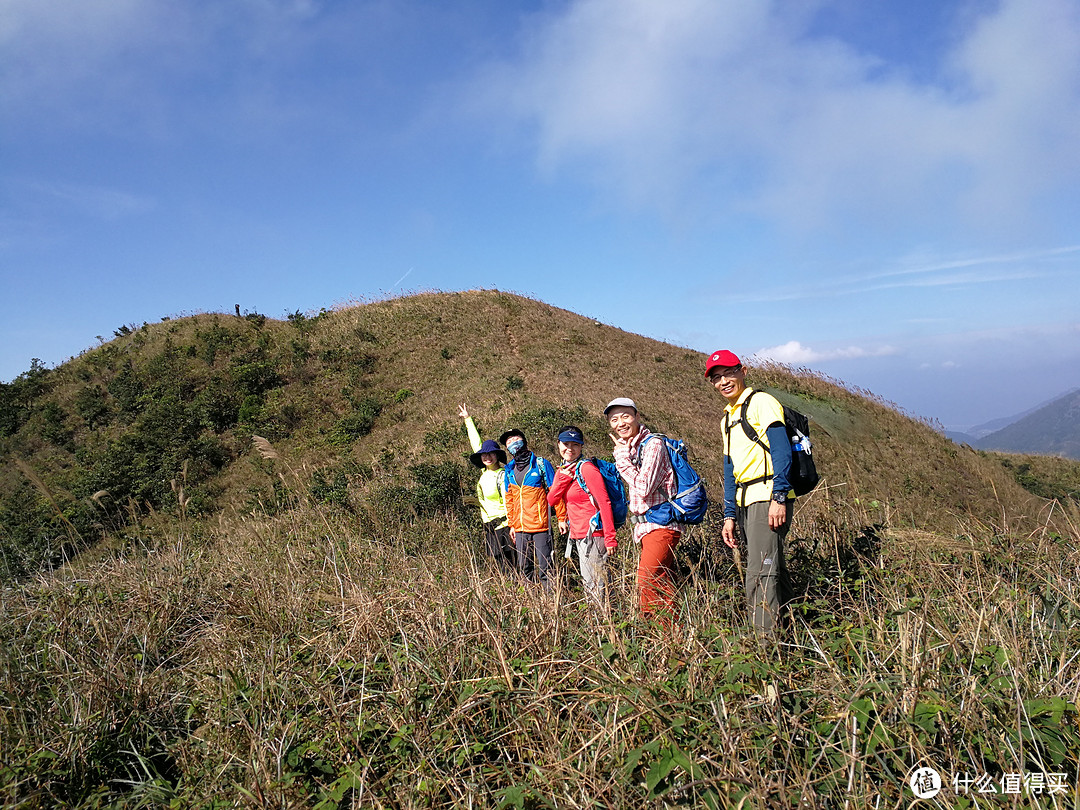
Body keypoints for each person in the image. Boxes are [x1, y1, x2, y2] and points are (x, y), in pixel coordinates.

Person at [706, 350, 794, 633]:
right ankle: (789, 631)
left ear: (743, 371)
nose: (723, 382)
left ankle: (764, 648)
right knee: (771, 570)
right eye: (717, 378)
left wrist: (779, 496)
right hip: (746, 502)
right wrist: (729, 514)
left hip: (766, 497)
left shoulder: (761, 402)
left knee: (760, 573)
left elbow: (782, 450)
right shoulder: (727, 419)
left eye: (728, 373)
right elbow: (729, 468)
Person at [606, 398, 680, 623]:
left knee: (646, 580)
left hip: (662, 525)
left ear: (637, 416)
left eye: (626, 416)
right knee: (661, 582)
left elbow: (643, 487)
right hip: (646, 527)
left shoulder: (653, 445)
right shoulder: (633, 448)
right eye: (614, 419)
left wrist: (621, 459)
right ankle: (673, 640)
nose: (620, 423)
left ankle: (658, 634)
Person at [546, 425, 617, 607]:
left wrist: (610, 538)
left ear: (581, 447)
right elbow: (552, 499)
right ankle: (607, 624)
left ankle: (601, 628)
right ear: (558, 444)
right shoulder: (564, 470)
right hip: (579, 535)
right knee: (593, 584)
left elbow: (604, 503)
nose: (569, 448)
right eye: (566, 443)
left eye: (575, 444)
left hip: (594, 535)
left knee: (596, 587)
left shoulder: (587, 469)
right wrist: (562, 479)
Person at [500, 428, 565, 585]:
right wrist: (512, 525)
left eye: (515, 439)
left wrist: (562, 518)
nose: (513, 443)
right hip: (520, 528)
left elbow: (555, 492)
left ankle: (552, 603)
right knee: (524, 568)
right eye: (508, 442)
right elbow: (510, 500)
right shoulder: (508, 470)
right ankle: (531, 603)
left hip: (541, 526)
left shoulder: (541, 464)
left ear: (524, 441)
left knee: (546, 568)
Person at [459, 404, 515, 573]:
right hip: (490, 527)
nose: (487, 457)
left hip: (505, 526)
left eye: (491, 454)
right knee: (502, 569)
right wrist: (468, 420)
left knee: (513, 567)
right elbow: (476, 444)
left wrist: (512, 525)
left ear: (498, 455)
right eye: (484, 454)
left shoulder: (504, 474)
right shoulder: (484, 472)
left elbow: (509, 501)